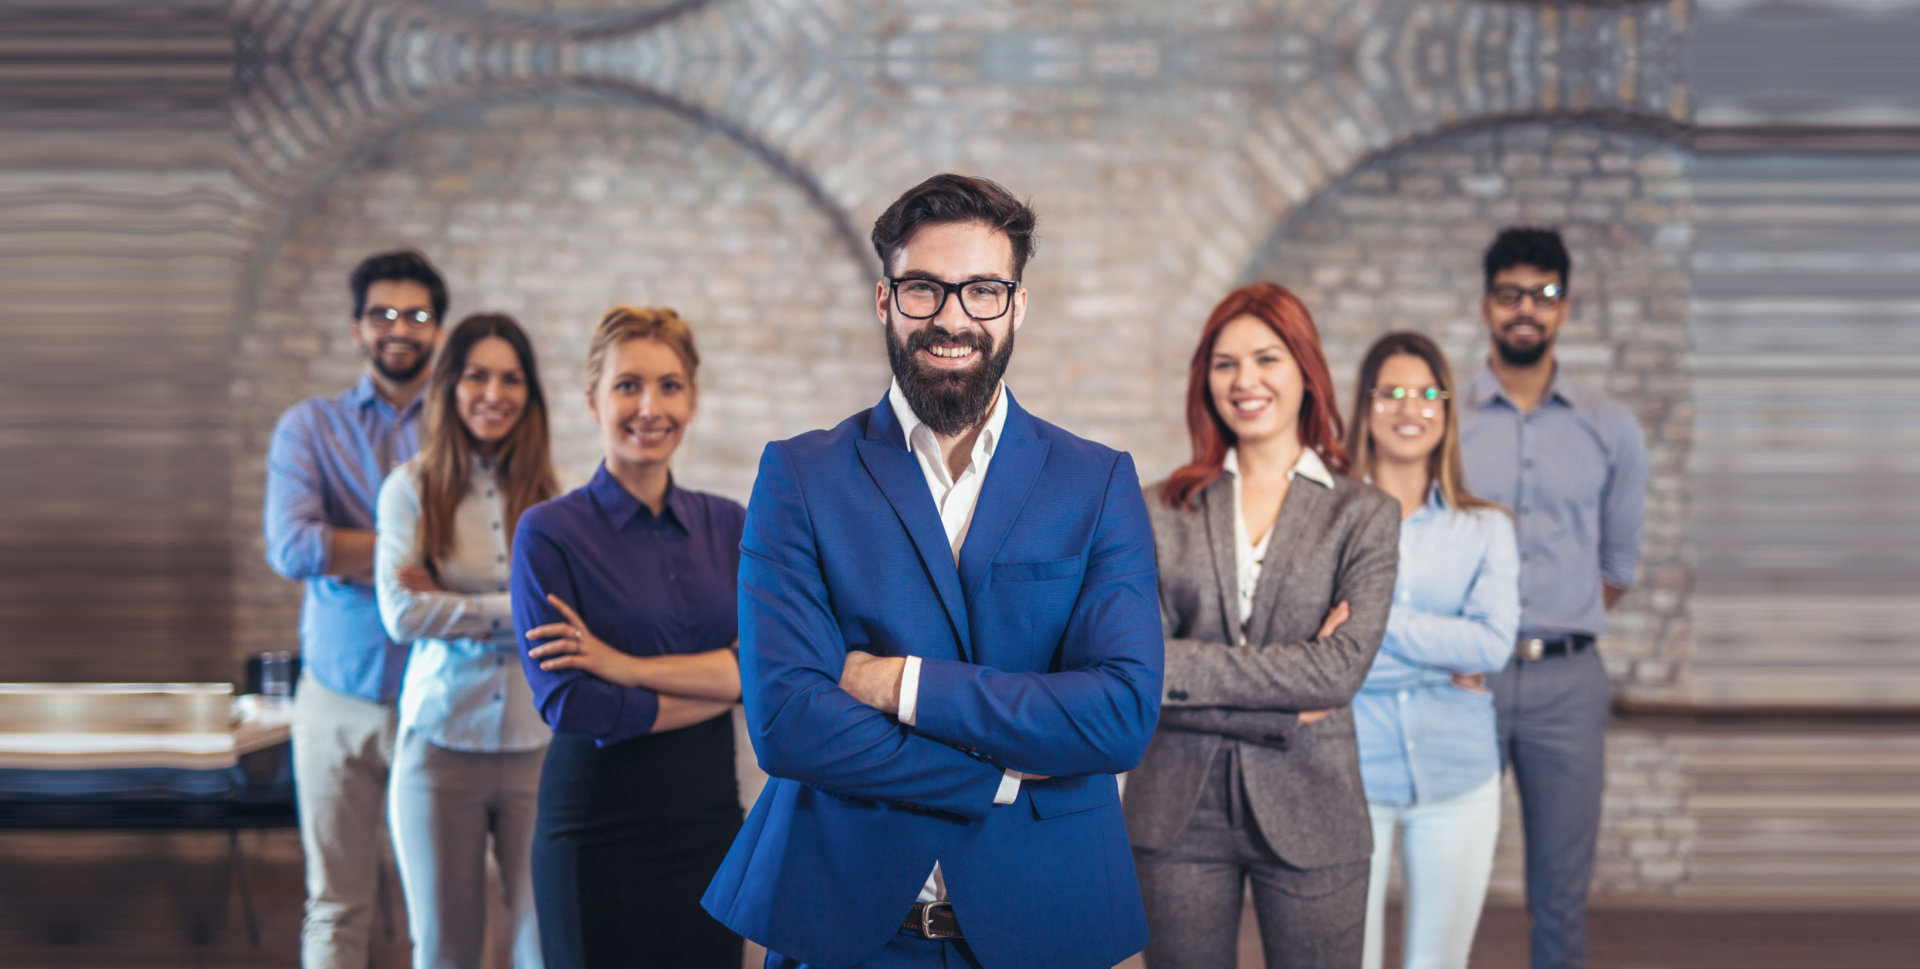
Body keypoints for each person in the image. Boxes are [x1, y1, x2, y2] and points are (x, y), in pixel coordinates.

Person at [700, 173, 1164, 969]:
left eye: (982, 290)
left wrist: (899, 685)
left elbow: (1120, 712)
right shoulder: (801, 476)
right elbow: (786, 720)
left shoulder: (1097, 481)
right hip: (849, 924)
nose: (952, 317)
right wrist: (1002, 775)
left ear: (1017, 305)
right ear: (885, 299)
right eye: (924, 288)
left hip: (1048, 918)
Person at [1126, 282, 1400, 969]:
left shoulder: (1364, 514)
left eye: (1266, 358)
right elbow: (1138, 666)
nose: (1245, 380)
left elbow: (1340, 672)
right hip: (1175, 812)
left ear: (1305, 370)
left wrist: (1190, 667)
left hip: (1316, 806)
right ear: (1206, 380)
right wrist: (1287, 700)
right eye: (1225, 363)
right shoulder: (1158, 508)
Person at [510, 306, 745, 969]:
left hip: (708, 822)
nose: (651, 406)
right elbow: (572, 703)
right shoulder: (549, 531)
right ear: (592, 400)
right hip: (596, 827)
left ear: (692, 398)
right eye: (627, 385)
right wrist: (721, 683)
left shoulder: (728, 524)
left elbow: (769, 669)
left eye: (670, 385)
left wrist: (623, 666)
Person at [1459, 227, 1648, 969]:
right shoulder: (1450, 421)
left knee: (1561, 896)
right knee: (1451, 875)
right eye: (1510, 295)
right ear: (1486, 306)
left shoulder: (1611, 428)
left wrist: (1557, 624)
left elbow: (1618, 566)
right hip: (1466, 679)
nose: (1525, 310)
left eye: (1542, 294)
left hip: (1570, 682)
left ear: (1564, 307)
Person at [264, 249, 447, 969]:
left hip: (439, 699)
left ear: (440, 328)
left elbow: (475, 553)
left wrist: (361, 557)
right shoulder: (307, 427)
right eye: (384, 313)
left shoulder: (465, 430)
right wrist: (411, 555)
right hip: (336, 698)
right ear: (356, 327)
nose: (399, 327)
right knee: (336, 905)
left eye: (418, 314)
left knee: (442, 903)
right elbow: (294, 546)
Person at [375, 313, 559, 969]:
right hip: (438, 747)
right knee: (446, 951)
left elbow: (570, 617)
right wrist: (517, 607)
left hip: (536, 750)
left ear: (529, 394)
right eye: (477, 375)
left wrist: (450, 602)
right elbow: (401, 614)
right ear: (450, 384)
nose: (494, 392)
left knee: (545, 945)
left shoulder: (551, 497)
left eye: (511, 378)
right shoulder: (410, 489)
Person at [1346, 331, 1519, 969]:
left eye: (1427, 393)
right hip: (1349, 777)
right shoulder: (1329, 518)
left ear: (1446, 411)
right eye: (1391, 392)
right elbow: (1318, 651)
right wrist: (1446, 654)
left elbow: (1493, 644)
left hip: (1459, 779)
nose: (1409, 407)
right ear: (1365, 407)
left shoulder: (1486, 528)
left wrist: (1368, 621)